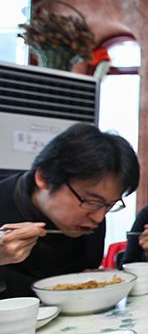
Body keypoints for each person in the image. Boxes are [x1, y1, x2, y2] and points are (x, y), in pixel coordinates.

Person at [0, 123, 139, 299]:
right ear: (44, 178)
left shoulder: (92, 216)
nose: (98, 218)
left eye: (110, 205)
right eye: (91, 201)